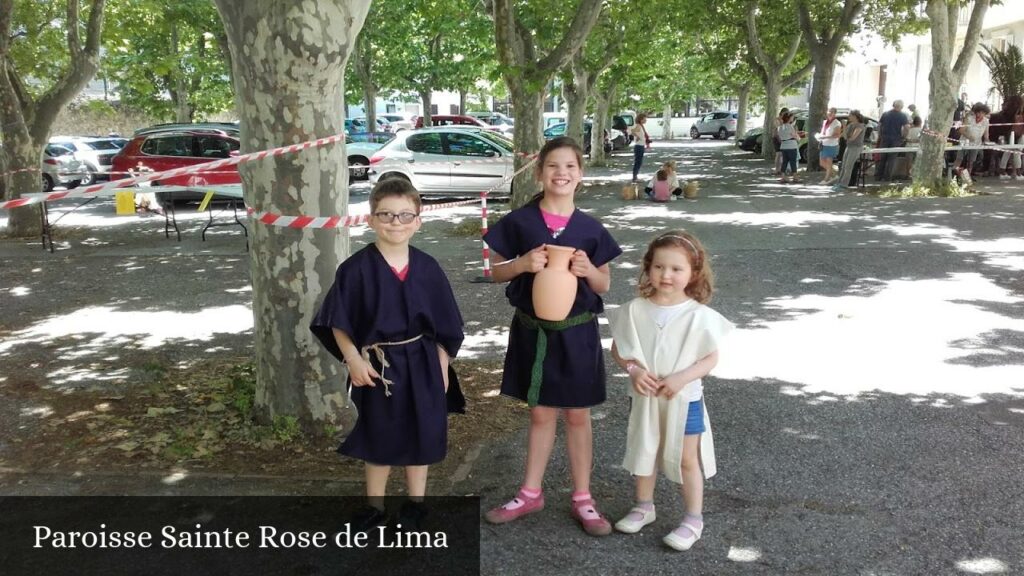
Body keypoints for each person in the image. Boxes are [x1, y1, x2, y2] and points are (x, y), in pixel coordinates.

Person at [482, 136, 623, 536]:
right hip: (533, 331)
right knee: (541, 412)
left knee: (578, 415)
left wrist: (588, 272)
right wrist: (522, 263)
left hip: (577, 334)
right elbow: (493, 271)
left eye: (570, 167)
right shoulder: (520, 222)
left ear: (581, 175)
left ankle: (583, 497)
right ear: (540, 173)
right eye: (553, 166)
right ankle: (531, 492)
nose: (561, 173)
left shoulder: (591, 229)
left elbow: (604, 285)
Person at [310, 178, 465, 530]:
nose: (396, 222)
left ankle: (416, 502)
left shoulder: (428, 268)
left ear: (418, 221)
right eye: (387, 215)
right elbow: (338, 320)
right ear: (371, 219)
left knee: (421, 431)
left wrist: (442, 365)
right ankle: (375, 506)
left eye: (405, 215)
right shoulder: (355, 270)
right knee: (377, 433)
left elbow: (447, 326)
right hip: (376, 366)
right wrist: (352, 359)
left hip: (424, 363)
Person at [608, 230, 733, 551]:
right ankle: (644, 505)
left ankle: (693, 518)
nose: (667, 275)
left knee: (687, 459)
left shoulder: (698, 315)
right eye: (660, 267)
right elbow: (619, 349)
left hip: (684, 398)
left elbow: (710, 357)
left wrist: (682, 378)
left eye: (677, 269)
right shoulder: (636, 310)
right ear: (648, 267)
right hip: (646, 396)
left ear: (693, 272)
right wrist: (633, 370)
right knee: (645, 449)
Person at [987, 95, 1023, 180]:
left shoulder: (1006, 113)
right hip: (1017, 133)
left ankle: (1003, 171)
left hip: (1009, 133)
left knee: (1008, 152)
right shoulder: (1018, 113)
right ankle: (1017, 173)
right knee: (1016, 152)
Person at [875, 99, 910, 181]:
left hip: (885, 138)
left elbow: (879, 125)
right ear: (901, 107)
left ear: (893, 105)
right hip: (896, 139)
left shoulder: (885, 114)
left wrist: (880, 135)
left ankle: (878, 176)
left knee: (882, 158)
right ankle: (888, 178)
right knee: (892, 159)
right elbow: (907, 128)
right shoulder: (903, 116)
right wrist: (904, 137)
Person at [834, 110, 867, 190]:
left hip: (856, 147)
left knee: (849, 166)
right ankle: (839, 182)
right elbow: (845, 137)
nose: (849, 117)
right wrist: (844, 126)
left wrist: (848, 136)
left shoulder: (860, 126)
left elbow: (853, 138)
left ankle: (844, 184)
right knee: (843, 165)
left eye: (850, 115)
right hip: (848, 146)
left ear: (855, 116)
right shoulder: (850, 125)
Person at [955, 102, 990, 176]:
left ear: (985, 113)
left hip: (976, 143)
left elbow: (986, 134)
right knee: (959, 159)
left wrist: (987, 141)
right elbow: (961, 130)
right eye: (978, 112)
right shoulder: (969, 118)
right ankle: (956, 175)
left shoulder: (986, 121)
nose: (979, 114)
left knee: (971, 161)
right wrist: (969, 136)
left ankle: (967, 178)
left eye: (982, 113)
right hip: (964, 142)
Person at [815, 107, 843, 184]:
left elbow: (837, 135)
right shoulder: (825, 122)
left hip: (831, 145)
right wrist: (820, 136)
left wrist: (824, 137)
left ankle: (826, 179)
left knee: (829, 161)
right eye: (829, 111)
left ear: (835, 114)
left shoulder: (837, 123)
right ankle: (834, 175)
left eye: (832, 112)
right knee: (821, 162)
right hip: (823, 144)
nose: (830, 113)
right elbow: (823, 132)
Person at [777, 112, 802, 183]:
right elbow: (795, 135)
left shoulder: (780, 127)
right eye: (792, 117)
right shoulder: (790, 126)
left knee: (784, 162)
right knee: (793, 161)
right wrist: (798, 138)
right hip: (791, 145)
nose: (793, 118)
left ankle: (783, 176)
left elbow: (779, 137)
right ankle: (795, 177)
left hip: (783, 145)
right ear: (789, 118)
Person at [630, 114, 652, 182]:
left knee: (639, 162)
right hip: (639, 146)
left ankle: (635, 176)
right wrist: (637, 137)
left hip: (641, 145)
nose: (646, 120)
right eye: (644, 119)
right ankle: (634, 177)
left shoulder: (641, 126)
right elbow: (632, 131)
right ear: (641, 119)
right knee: (638, 162)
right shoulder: (639, 126)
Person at [772, 107, 789, 175]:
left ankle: (781, 169)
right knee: (778, 154)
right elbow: (778, 128)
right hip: (777, 138)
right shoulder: (777, 120)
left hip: (783, 138)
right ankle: (777, 169)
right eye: (786, 114)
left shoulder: (784, 120)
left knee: (782, 154)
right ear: (782, 113)